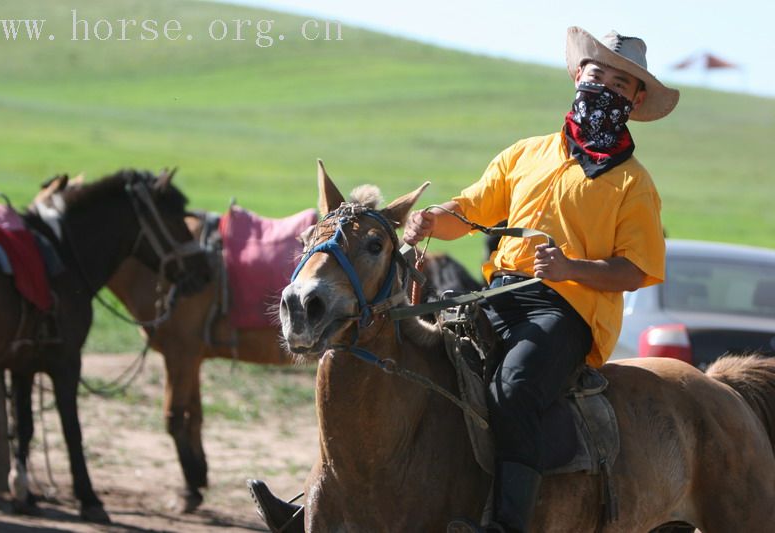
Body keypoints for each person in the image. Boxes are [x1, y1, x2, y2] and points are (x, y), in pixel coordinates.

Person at [248, 26, 677, 533]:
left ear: (636, 98)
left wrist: (570, 269)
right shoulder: (526, 154)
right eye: (595, 73)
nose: (603, 87)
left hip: (567, 312)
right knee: (401, 363)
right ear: (576, 76)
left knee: (514, 387)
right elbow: (471, 211)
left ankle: (508, 524)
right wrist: (433, 218)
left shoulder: (634, 184)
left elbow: (636, 268)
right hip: (495, 295)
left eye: (619, 83)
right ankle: (326, 500)